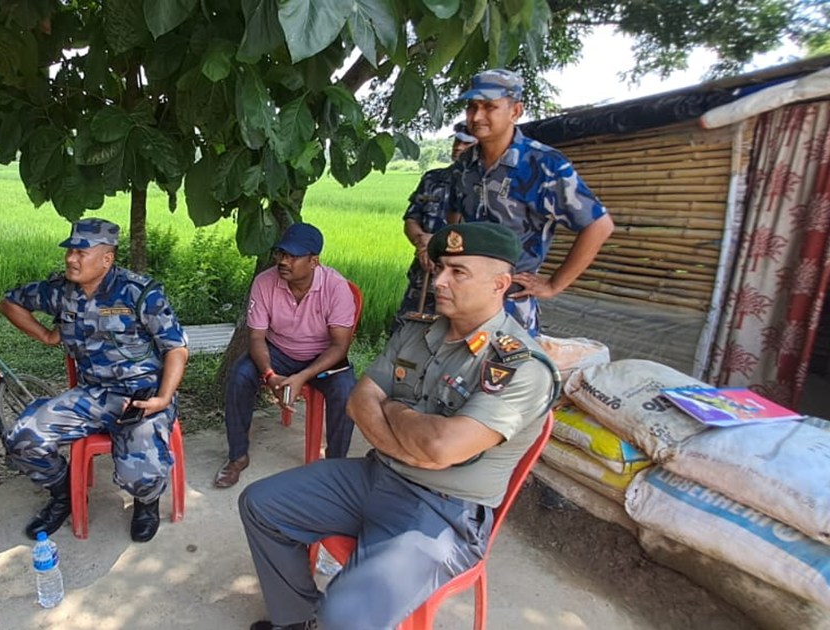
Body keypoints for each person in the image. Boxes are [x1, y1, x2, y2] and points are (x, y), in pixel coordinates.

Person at [239, 223, 558, 630]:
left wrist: (390, 408)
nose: (439, 280)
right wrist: (410, 440)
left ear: (500, 284)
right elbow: (358, 402)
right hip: (378, 474)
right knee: (260, 504)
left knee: (344, 616)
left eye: (458, 272)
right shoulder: (417, 332)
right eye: (440, 267)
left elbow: (441, 448)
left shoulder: (520, 367)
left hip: (443, 511)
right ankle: (297, 619)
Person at [0, 218, 189, 543]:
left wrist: (162, 398)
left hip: (142, 398)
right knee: (22, 438)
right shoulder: (61, 292)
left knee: (139, 475)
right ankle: (64, 496)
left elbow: (176, 349)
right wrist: (46, 335)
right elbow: (9, 302)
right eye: (70, 250)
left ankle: (146, 502)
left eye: (81, 252)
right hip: (91, 395)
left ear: (106, 259)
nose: (71, 258)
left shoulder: (139, 292)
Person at [451, 68, 615, 336]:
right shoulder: (465, 165)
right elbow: (454, 217)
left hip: (510, 308)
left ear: (515, 111)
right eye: (472, 107)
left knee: (506, 377)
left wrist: (553, 285)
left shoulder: (543, 165)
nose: (477, 116)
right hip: (464, 302)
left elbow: (599, 225)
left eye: (489, 107)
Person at [214, 223, 359, 489]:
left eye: (293, 256)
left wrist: (301, 377)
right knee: (240, 375)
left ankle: (336, 465)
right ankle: (237, 455)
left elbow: (340, 347)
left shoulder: (336, 288)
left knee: (346, 390)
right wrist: (270, 375)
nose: (283, 261)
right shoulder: (264, 282)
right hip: (279, 352)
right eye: (281, 254)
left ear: (314, 261)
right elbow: (256, 337)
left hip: (322, 356)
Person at [397, 122, 477, 324]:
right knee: (405, 337)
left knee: (451, 343)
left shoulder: (488, 186)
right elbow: (411, 218)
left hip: (463, 283)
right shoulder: (433, 178)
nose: (458, 147)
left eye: (466, 143)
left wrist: (438, 247)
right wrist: (422, 243)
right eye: (457, 141)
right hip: (422, 278)